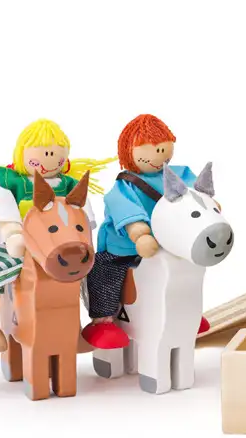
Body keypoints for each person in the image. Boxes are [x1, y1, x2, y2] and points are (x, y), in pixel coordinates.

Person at [0, 119, 113, 352]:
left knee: (86, 274)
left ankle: (80, 328)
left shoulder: (69, 184)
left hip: (62, 242)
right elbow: (4, 210)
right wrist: (12, 233)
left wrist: (84, 240)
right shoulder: (11, 181)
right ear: (21, 153)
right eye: (42, 152)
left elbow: (82, 215)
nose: (50, 157)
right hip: (19, 242)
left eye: (56, 153)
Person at [81, 113, 206, 349]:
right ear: (129, 151)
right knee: (104, 269)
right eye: (151, 149)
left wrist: (208, 205)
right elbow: (125, 209)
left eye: (163, 148)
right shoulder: (125, 185)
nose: (159, 155)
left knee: (188, 270)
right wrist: (140, 233)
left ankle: (186, 313)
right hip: (126, 248)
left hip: (169, 243)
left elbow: (196, 196)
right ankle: (102, 320)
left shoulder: (179, 174)